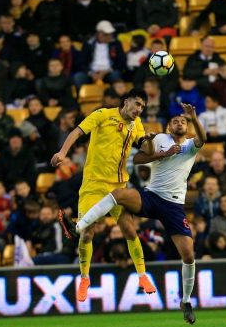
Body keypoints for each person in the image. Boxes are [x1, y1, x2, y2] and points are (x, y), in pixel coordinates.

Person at [61, 103, 206, 323]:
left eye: (183, 122)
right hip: (151, 196)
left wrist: (194, 117)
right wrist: (161, 154)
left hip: (174, 206)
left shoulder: (189, 145)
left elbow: (203, 139)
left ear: (187, 127)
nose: (179, 123)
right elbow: (138, 159)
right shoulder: (159, 139)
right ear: (168, 126)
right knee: (119, 194)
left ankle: (186, 301)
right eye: (175, 121)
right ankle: (78, 226)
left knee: (188, 254)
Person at [50, 89, 156, 302]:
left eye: (142, 107)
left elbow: (146, 149)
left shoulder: (137, 125)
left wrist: (151, 141)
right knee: (87, 233)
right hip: (93, 185)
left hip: (118, 186)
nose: (138, 109)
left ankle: (143, 275)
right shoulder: (102, 115)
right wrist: (63, 152)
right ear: (126, 101)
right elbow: (77, 132)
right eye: (136, 104)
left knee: (129, 229)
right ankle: (84, 278)